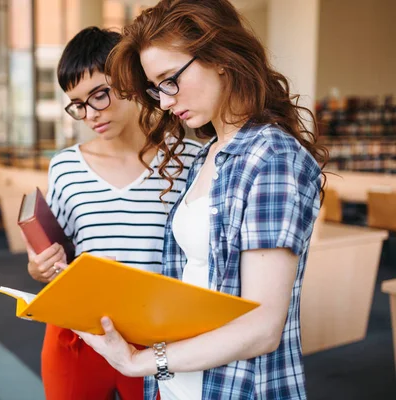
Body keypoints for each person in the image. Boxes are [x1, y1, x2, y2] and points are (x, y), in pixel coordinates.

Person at [72, 1, 328, 399]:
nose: (165, 101)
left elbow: (261, 329)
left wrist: (143, 361)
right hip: (179, 381)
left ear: (219, 57)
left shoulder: (272, 157)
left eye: (169, 80)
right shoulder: (209, 152)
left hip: (235, 387)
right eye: (156, 89)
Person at [25, 27, 201, 400]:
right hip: (79, 334)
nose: (89, 114)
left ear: (130, 80)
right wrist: (38, 267)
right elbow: (56, 259)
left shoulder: (188, 158)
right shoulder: (66, 167)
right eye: (77, 104)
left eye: (98, 95)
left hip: (156, 338)